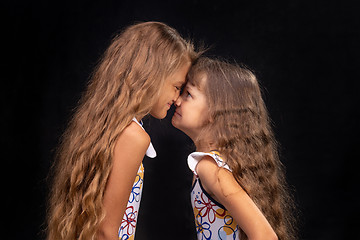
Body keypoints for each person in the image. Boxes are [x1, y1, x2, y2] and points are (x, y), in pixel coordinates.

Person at [47, 21, 198, 240]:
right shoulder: (134, 136)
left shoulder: (103, 125)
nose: (176, 99)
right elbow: (105, 231)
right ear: (152, 76)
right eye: (176, 87)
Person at [172, 57, 296, 240]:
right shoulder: (216, 164)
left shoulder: (210, 167)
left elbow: (265, 236)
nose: (177, 101)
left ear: (216, 112)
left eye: (188, 94)